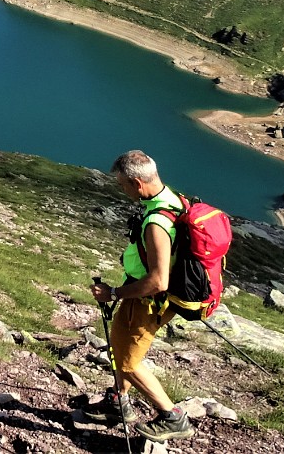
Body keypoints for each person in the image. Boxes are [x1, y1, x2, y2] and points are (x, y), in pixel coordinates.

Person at [87, 150, 195, 442]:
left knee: (128, 363)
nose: (122, 189)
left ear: (136, 182)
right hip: (139, 297)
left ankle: (172, 417)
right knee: (119, 345)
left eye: (122, 184)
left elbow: (159, 281)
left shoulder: (158, 221)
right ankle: (118, 403)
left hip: (147, 300)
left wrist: (113, 293)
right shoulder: (171, 200)